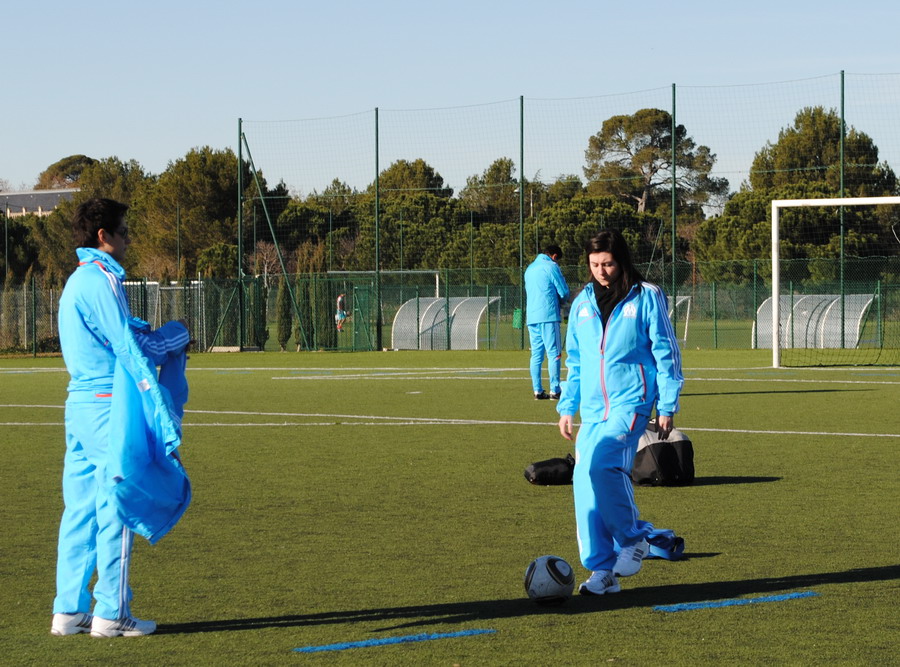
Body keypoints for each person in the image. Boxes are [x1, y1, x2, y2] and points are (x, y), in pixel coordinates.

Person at [51, 198, 191, 638]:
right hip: (108, 405)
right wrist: (174, 341)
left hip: (79, 404)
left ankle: (68, 612)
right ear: (103, 236)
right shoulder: (102, 278)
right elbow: (128, 348)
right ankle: (111, 613)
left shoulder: (76, 282)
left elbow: (120, 336)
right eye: (124, 231)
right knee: (119, 503)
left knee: (79, 510)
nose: (129, 239)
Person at [557, 229, 683, 596]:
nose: (602, 270)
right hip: (592, 410)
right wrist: (567, 407)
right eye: (595, 264)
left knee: (603, 466)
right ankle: (602, 570)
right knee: (584, 481)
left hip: (631, 403)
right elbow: (577, 362)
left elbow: (666, 352)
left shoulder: (647, 296)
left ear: (622, 260)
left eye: (608, 263)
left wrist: (668, 404)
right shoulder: (581, 303)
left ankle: (636, 538)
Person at [524, 244, 569, 400]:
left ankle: (537, 390)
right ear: (555, 256)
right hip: (548, 316)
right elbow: (563, 291)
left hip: (532, 317)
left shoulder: (529, 269)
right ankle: (555, 390)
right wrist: (565, 303)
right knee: (554, 354)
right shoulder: (551, 266)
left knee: (536, 355)